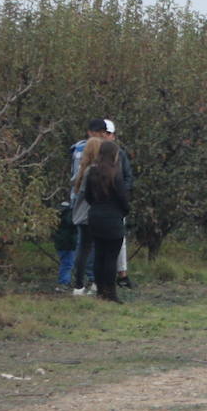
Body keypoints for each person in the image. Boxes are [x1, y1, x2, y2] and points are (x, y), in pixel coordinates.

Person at [70, 117, 135, 288]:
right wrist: (120, 204)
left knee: (87, 247)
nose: (106, 136)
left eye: (108, 133)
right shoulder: (99, 161)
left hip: (87, 208)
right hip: (100, 210)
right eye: (104, 133)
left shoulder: (80, 153)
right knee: (100, 249)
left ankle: (84, 283)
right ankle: (97, 283)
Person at [84, 140, 130, 303]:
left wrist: (96, 207)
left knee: (99, 255)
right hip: (112, 218)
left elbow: (87, 196)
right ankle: (111, 293)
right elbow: (123, 198)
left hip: (95, 216)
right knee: (111, 257)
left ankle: (100, 291)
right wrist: (123, 211)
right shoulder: (115, 174)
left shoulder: (92, 172)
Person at [69, 137, 102, 295]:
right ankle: (94, 281)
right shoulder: (94, 171)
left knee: (82, 249)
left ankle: (78, 284)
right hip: (91, 215)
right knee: (93, 249)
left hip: (80, 215)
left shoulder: (82, 170)